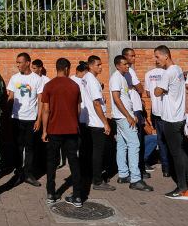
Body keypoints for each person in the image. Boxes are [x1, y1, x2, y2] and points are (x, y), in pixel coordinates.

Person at [152, 46, 188, 201]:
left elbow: (156, 92)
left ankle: (182, 189)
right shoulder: (178, 69)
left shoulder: (168, 72)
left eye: (158, 56)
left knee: (176, 154)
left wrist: (161, 89)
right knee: (182, 151)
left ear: (166, 56)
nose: (156, 60)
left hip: (171, 119)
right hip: (179, 117)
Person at [41, 58, 83, 206]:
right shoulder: (75, 86)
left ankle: (51, 193)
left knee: (51, 162)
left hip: (54, 129)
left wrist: (44, 130)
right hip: (71, 129)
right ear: (66, 69)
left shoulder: (49, 86)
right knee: (74, 161)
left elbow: (46, 110)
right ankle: (78, 196)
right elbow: (78, 110)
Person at [110, 54, 150, 191]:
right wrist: (128, 116)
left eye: (128, 64)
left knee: (122, 145)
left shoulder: (123, 77)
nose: (128, 66)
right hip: (123, 117)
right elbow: (116, 98)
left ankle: (123, 174)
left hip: (124, 116)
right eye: (125, 64)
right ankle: (135, 179)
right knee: (134, 144)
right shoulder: (116, 77)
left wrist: (132, 113)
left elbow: (125, 98)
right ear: (117, 65)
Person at [7, 52, 42, 187]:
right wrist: (7, 114)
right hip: (16, 118)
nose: (18, 65)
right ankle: (18, 172)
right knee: (17, 147)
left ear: (28, 63)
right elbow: (10, 97)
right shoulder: (14, 78)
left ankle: (28, 174)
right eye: (17, 62)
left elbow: (40, 100)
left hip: (31, 119)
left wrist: (38, 120)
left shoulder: (36, 79)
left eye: (20, 62)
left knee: (30, 147)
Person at [78, 56, 113, 192]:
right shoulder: (91, 80)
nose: (101, 67)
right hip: (96, 121)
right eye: (98, 65)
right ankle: (97, 181)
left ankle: (88, 175)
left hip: (87, 120)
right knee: (98, 152)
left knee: (88, 151)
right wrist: (105, 122)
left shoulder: (86, 78)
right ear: (91, 66)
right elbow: (96, 103)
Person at [144, 62, 172, 179]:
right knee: (170, 139)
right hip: (169, 111)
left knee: (161, 140)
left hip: (156, 111)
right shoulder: (168, 73)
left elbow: (148, 93)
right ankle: (170, 166)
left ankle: (165, 168)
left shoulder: (148, 74)